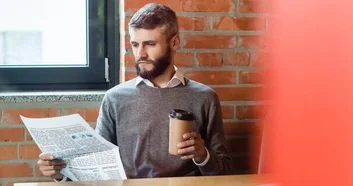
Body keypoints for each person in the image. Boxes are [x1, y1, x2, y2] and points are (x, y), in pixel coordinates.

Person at [37, 3, 233, 181]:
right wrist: (59, 174)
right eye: (135, 45)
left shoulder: (204, 97)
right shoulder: (115, 98)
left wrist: (202, 155)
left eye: (150, 44)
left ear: (174, 43)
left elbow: (225, 172)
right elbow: (97, 169)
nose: (140, 54)